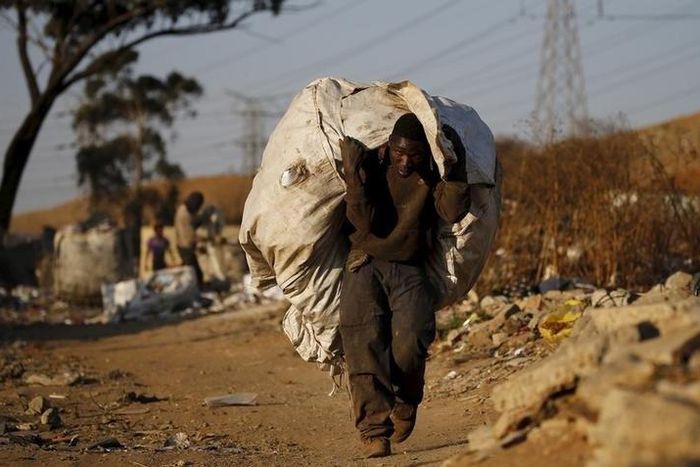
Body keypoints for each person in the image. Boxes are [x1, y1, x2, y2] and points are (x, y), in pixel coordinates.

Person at [339, 113, 470, 458]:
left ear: (425, 153)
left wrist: (456, 168)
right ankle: (373, 431)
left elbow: (454, 212)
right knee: (363, 342)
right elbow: (362, 221)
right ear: (388, 146)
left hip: (410, 267)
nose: (405, 161)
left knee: (412, 340)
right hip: (364, 262)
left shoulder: (430, 173)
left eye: (413, 154)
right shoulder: (371, 164)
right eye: (399, 153)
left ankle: (406, 399)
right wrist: (353, 174)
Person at [175, 191, 205, 286]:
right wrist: (201, 242)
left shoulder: (182, 209)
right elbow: (190, 234)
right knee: (196, 275)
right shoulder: (186, 215)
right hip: (187, 248)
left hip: (181, 246)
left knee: (190, 272)